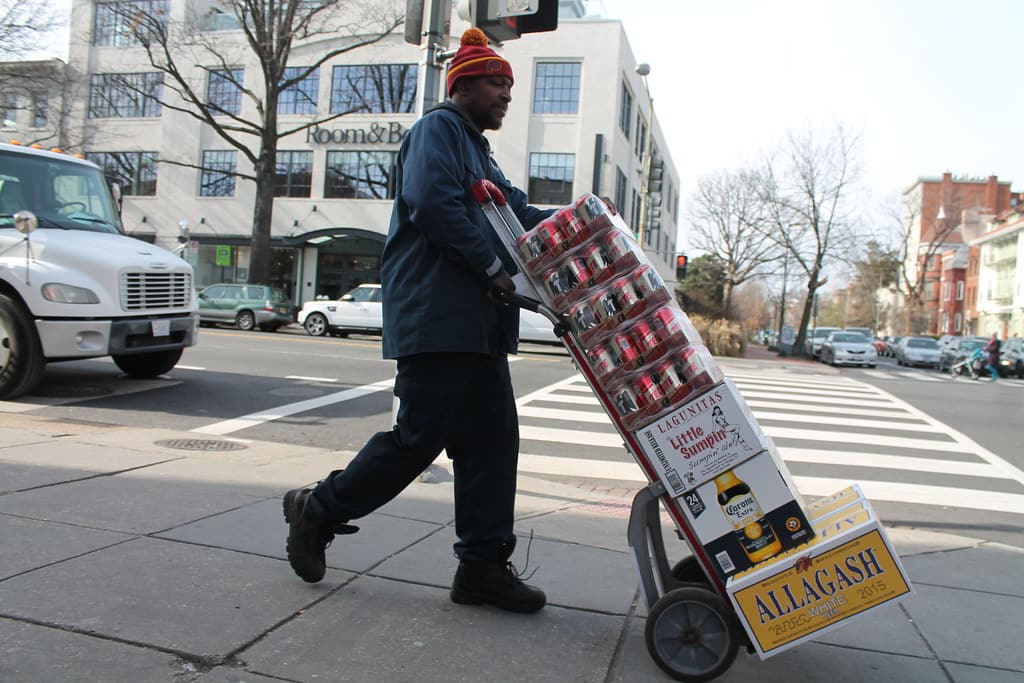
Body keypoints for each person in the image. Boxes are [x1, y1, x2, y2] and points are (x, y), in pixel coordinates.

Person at [282, 28, 552, 614]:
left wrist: (585, 221)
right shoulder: (438, 130)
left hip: (479, 324)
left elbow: (520, 213)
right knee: (418, 439)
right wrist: (489, 265)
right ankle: (319, 508)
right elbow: (432, 202)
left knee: (493, 442)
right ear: (462, 85)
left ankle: (481, 568)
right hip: (439, 316)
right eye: (494, 82)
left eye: (509, 84)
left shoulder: (478, 150)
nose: (506, 93)